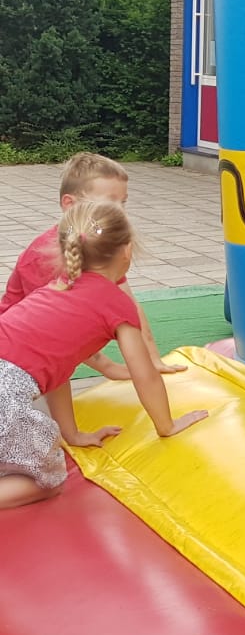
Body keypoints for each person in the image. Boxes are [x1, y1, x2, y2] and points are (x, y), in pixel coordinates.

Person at [0, 200, 208, 510]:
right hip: (6, 395)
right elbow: (144, 375)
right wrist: (167, 425)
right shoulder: (118, 304)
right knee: (46, 480)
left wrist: (72, 434)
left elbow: (58, 374)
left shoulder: (57, 288)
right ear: (127, 251)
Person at [1, 152, 183, 380]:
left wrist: (153, 359)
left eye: (123, 202)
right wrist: (109, 368)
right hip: (15, 353)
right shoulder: (42, 257)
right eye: (109, 202)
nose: (120, 212)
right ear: (70, 204)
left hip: (50, 344)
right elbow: (48, 333)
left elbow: (129, 305)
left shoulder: (102, 245)